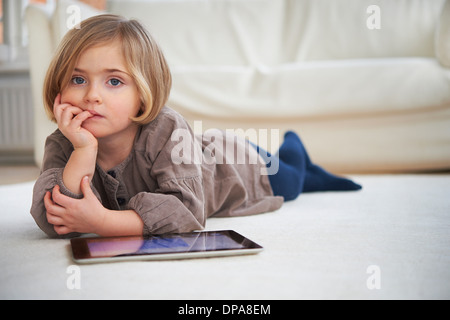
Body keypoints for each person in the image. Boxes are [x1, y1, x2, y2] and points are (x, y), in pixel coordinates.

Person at [30, 14, 361, 239]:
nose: (92, 96)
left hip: (237, 166)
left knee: (293, 181)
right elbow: (51, 219)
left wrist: (103, 222)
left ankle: (295, 149)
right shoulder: (65, 142)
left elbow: (187, 212)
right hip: (194, 153)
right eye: (78, 79)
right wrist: (84, 151)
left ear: (143, 96)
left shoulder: (166, 128)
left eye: (114, 81)